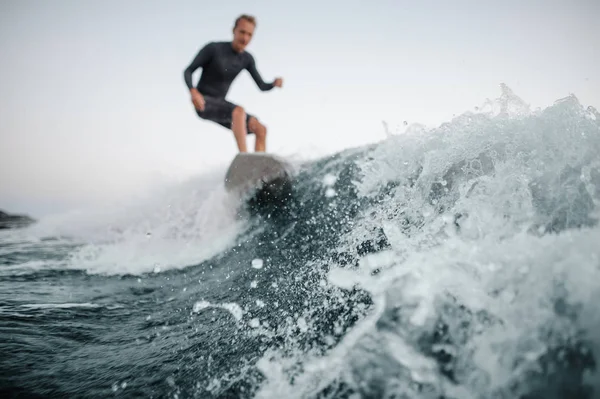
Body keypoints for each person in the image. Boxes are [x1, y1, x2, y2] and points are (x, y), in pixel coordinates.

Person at [183, 14, 283, 153]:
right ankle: (244, 158)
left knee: (260, 129)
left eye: (249, 34)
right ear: (233, 30)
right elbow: (188, 71)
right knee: (239, 111)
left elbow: (261, 86)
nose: (245, 38)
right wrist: (193, 92)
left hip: (222, 106)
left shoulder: (247, 59)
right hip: (203, 102)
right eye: (242, 32)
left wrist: (273, 84)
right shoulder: (213, 48)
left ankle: (259, 169)